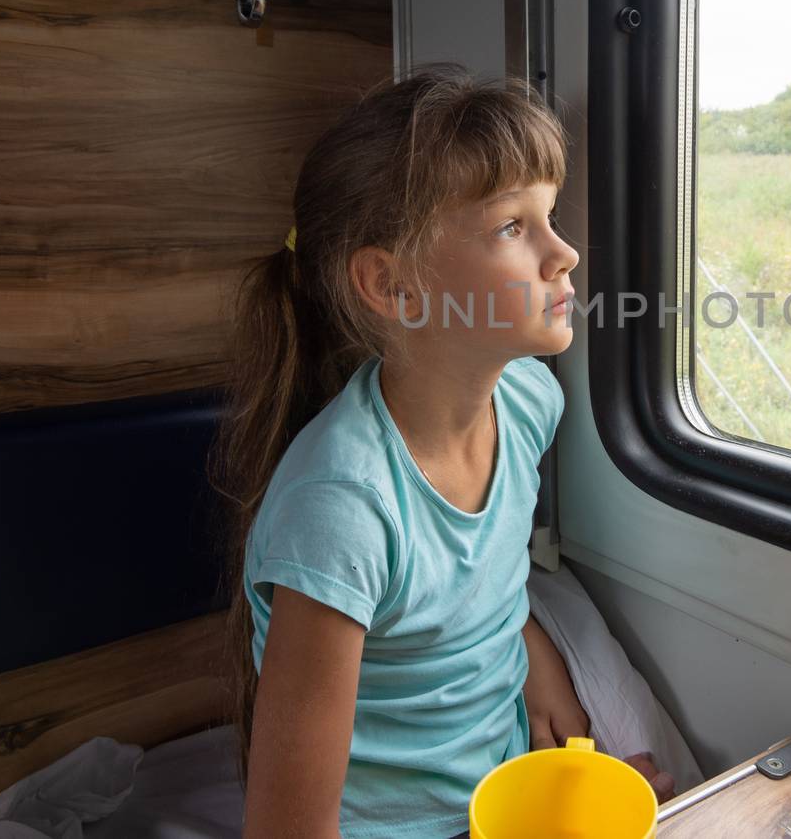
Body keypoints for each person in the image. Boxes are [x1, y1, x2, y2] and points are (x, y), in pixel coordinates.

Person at [208, 66, 674, 839]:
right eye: (512, 228)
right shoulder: (341, 511)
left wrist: (539, 674)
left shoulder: (529, 403)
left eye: (550, 215)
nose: (564, 254)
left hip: (502, 791)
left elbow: (471, 584)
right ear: (394, 286)